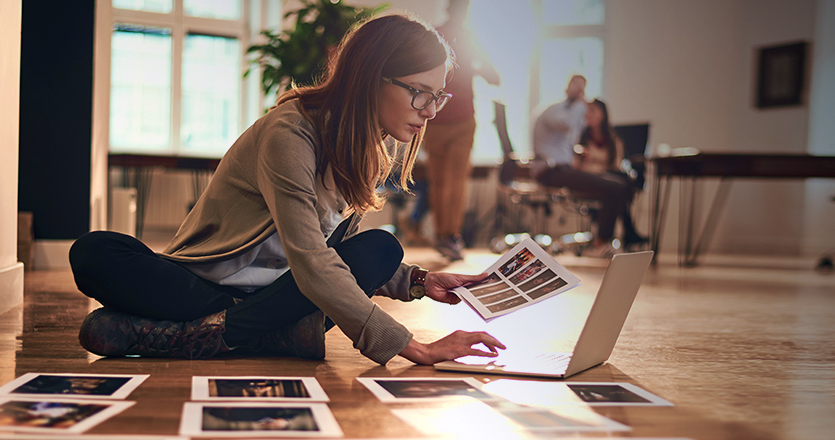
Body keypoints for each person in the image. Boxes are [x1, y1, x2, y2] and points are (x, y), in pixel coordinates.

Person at [68, 14, 505, 366]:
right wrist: (415, 347)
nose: (429, 112)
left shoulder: (369, 143)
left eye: (437, 97)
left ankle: (210, 335)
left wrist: (420, 281)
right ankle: (264, 333)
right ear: (373, 77)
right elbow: (312, 259)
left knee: (381, 250)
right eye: (419, 93)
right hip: (210, 286)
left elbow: (338, 248)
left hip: (283, 294)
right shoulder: (291, 131)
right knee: (94, 252)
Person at [420, 0, 500, 261]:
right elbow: (493, 76)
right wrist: (472, 68)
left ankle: (443, 236)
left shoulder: (431, 34)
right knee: (455, 180)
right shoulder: (469, 38)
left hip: (434, 116)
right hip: (461, 119)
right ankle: (450, 236)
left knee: (439, 181)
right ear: (464, 11)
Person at [532, 75, 635, 258]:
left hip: (564, 169)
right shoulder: (555, 112)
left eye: (583, 88)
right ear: (567, 87)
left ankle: (610, 239)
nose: (581, 93)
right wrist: (581, 105)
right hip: (551, 170)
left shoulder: (574, 117)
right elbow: (567, 125)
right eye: (577, 87)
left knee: (621, 183)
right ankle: (600, 244)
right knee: (617, 186)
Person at [576, 99, 647, 249]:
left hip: (608, 179)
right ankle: (623, 233)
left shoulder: (614, 140)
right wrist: (596, 167)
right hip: (588, 181)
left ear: (602, 114)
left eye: (592, 111)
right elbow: (578, 168)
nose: (588, 115)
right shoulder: (580, 137)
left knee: (621, 183)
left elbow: (616, 165)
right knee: (622, 186)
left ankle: (606, 238)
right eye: (587, 111)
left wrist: (596, 165)